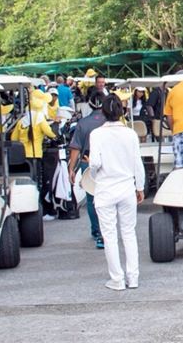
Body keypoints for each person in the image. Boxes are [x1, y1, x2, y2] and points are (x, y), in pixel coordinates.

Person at [88, 94, 145, 291]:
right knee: (129, 233)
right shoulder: (130, 134)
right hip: (127, 187)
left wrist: (94, 176)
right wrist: (140, 187)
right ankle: (133, 277)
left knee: (109, 235)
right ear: (122, 111)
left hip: (105, 188)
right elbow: (138, 163)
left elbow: (95, 162)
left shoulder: (97, 134)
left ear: (102, 112)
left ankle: (117, 279)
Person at [68, 90, 106, 248]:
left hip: (86, 162)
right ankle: (107, 229)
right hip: (107, 162)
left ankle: (96, 230)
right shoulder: (110, 122)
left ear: (89, 104)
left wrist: (71, 169)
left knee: (91, 199)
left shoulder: (82, 123)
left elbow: (75, 148)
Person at [10, 92, 58, 219]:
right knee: (37, 183)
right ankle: (38, 209)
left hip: (21, 156)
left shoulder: (22, 120)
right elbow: (50, 133)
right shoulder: (40, 120)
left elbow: (13, 137)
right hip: (35, 155)